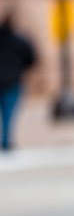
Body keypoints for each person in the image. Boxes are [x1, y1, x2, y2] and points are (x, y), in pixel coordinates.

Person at [0, 14, 37, 150]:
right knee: (8, 113)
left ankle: (5, 141)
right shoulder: (19, 40)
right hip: (12, 81)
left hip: (10, 80)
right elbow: (32, 57)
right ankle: (6, 141)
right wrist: (20, 69)